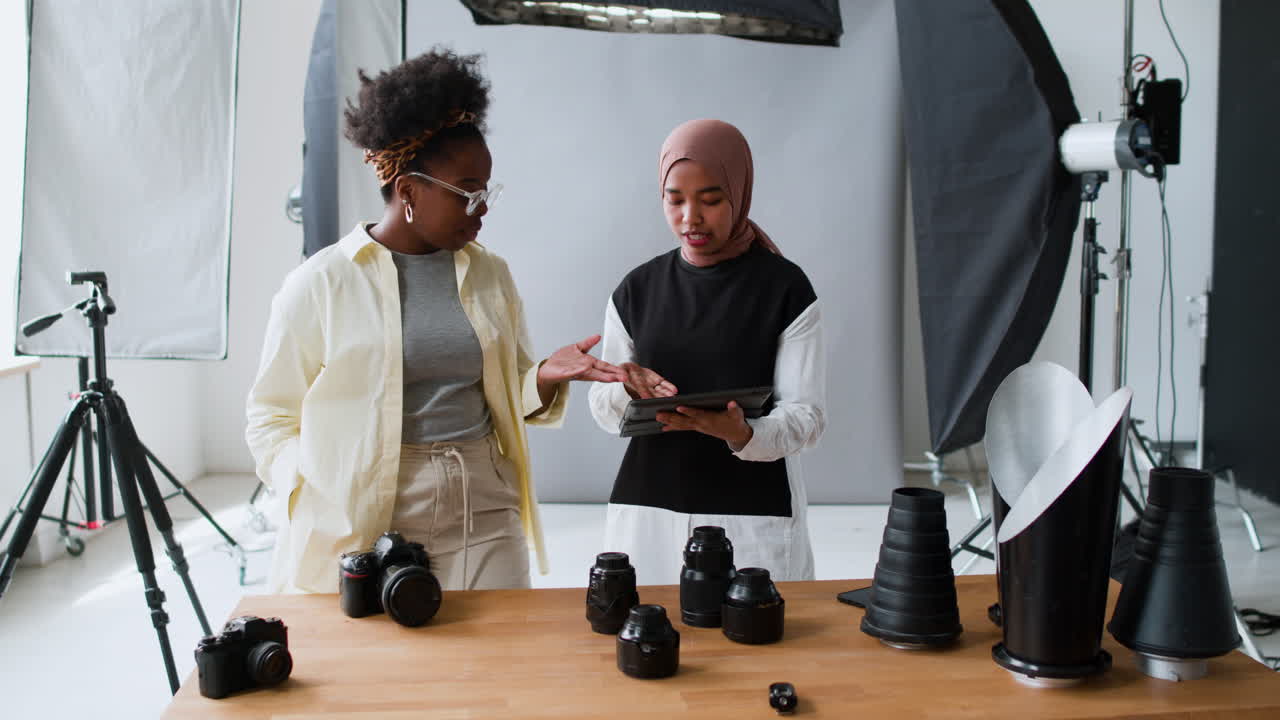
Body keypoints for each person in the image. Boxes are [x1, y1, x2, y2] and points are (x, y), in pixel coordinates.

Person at [246, 48, 625, 594]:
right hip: (363, 513)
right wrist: (309, 485)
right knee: (388, 676)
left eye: (486, 191)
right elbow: (269, 417)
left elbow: (504, 394)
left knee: (498, 662)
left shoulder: (491, 274)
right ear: (408, 192)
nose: (483, 209)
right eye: (468, 194)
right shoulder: (321, 283)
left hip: (482, 503)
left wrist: (539, 377)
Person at [588, 119, 826, 585]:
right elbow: (603, 411)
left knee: (755, 644)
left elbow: (808, 417)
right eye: (674, 200)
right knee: (647, 641)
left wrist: (742, 433)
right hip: (647, 509)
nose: (690, 218)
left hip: (753, 512)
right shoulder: (636, 290)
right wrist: (625, 389)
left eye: (711, 200)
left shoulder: (785, 288)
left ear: (739, 192)